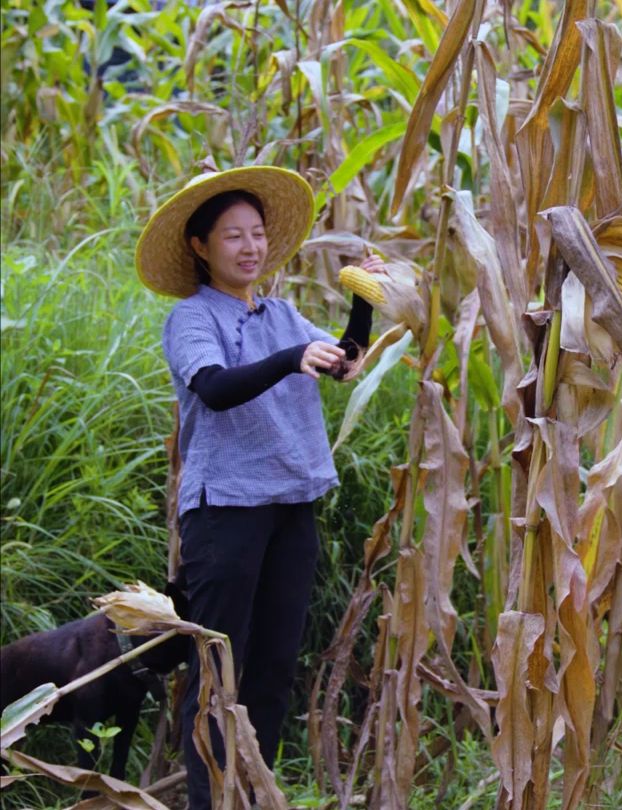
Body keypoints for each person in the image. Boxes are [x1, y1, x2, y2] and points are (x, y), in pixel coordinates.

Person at [134, 165, 384, 808]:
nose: (250, 248)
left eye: (257, 234)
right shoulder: (192, 318)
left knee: (272, 670)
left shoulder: (284, 314)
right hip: (226, 513)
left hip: (290, 506)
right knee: (218, 672)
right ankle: (208, 800)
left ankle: (254, 795)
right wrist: (290, 358)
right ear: (200, 247)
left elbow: (342, 360)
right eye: (232, 237)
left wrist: (364, 298)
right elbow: (214, 389)